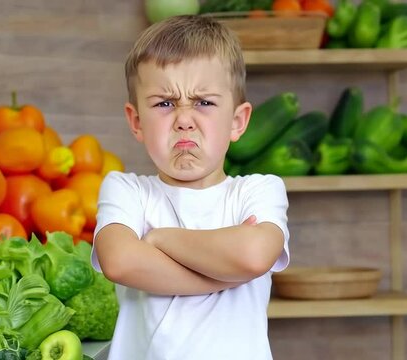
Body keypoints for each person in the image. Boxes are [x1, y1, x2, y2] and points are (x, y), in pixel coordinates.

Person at [91, 14, 290, 360]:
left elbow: (253, 254)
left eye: (204, 102)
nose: (184, 119)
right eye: (165, 103)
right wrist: (226, 276)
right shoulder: (125, 190)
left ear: (237, 121)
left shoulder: (258, 191)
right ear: (136, 122)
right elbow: (120, 261)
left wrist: (158, 239)